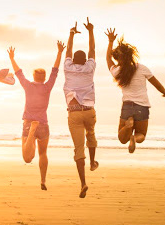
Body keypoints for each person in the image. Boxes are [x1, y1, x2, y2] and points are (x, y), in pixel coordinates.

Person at [7, 41, 65, 191]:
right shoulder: (48, 86)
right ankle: (43, 180)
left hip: (29, 123)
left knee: (27, 158)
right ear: (44, 78)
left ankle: (32, 132)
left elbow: (18, 72)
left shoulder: (28, 85)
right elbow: (55, 70)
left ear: (33, 76)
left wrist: (12, 58)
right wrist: (59, 52)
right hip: (43, 124)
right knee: (43, 153)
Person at [105, 28, 165, 153]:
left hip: (127, 106)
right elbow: (157, 84)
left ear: (118, 59)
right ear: (130, 55)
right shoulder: (142, 68)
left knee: (122, 139)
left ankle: (128, 126)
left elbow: (108, 60)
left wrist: (110, 42)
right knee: (141, 134)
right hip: (142, 107)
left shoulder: (117, 71)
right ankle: (134, 139)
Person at [63, 17, 99, 198]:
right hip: (89, 112)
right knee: (90, 134)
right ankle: (93, 162)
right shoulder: (90, 68)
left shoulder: (67, 67)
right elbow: (92, 49)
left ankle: (83, 183)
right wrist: (91, 31)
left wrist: (71, 34)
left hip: (74, 113)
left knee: (78, 148)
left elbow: (68, 50)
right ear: (85, 60)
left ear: (73, 60)